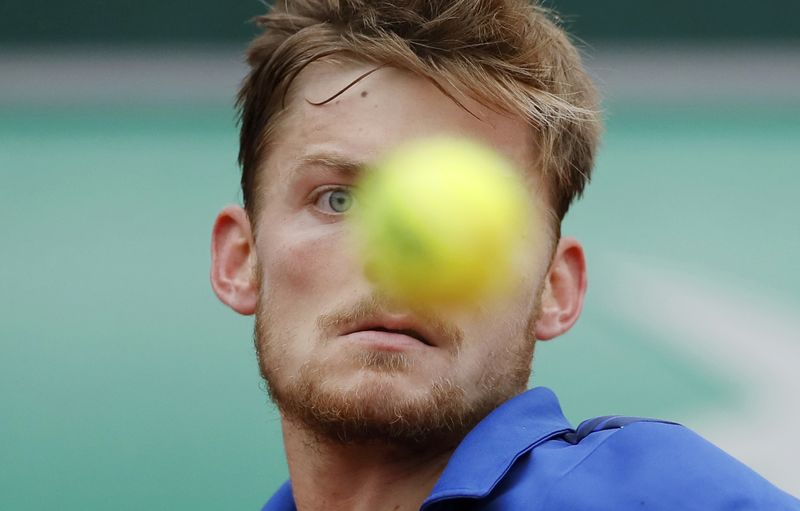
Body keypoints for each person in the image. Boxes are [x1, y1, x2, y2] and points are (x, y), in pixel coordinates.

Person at [209, 1, 800, 509]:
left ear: (555, 288)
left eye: (462, 217)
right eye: (338, 200)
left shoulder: (657, 496)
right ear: (240, 260)